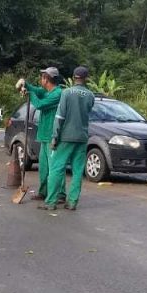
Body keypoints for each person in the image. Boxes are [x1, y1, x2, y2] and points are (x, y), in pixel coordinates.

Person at [42, 66, 95, 211]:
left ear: (73, 77)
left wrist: (54, 137)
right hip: (82, 137)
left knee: (56, 168)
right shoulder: (90, 95)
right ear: (86, 78)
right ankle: (72, 202)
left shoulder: (66, 93)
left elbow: (59, 117)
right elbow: (88, 112)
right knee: (78, 171)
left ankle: (51, 202)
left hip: (65, 137)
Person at [16, 67, 64, 203]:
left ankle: (60, 194)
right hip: (44, 135)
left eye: (42, 77)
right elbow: (36, 90)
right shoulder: (47, 91)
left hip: (52, 135)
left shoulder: (57, 93)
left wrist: (29, 94)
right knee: (43, 167)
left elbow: (40, 104)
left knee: (54, 167)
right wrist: (25, 84)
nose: (40, 80)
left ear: (47, 79)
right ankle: (44, 192)